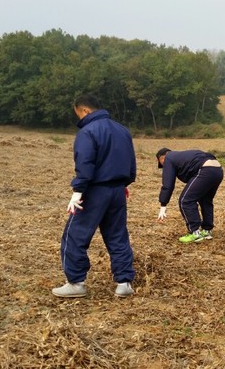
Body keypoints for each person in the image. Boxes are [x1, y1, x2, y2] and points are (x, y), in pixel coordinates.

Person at [52, 94, 136, 298]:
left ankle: (76, 282)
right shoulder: (122, 130)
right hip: (117, 191)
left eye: (78, 114)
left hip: (94, 191)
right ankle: (124, 283)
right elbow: (131, 163)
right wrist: (123, 184)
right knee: (117, 236)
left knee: (75, 235)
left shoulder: (88, 132)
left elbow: (85, 164)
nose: (79, 119)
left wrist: (77, 192)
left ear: (85, 111)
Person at [156, 148, 224, 243]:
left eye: (161, 164)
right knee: (205, 200)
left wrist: (163, 205)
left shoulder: (168, 158)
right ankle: (207, 230)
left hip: (205, 169)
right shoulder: (182, 156)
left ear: (162, 158)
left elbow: (168, 184)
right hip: (217, 169)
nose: (163, 167)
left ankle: (195, 232)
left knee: (185, 200)